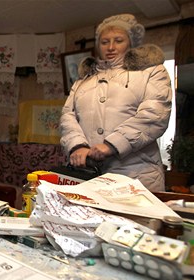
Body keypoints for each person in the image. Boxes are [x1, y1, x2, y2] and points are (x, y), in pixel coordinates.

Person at [60, 14, 172, 192]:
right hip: (89, 174)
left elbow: (154, 115)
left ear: (131, 42)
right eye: (104, 42)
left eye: (118, 40)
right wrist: (77, 146)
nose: (111, 47)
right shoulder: (83, 80)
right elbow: (68, 116)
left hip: (136, 174)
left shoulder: (152, 71)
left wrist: (112, 145)